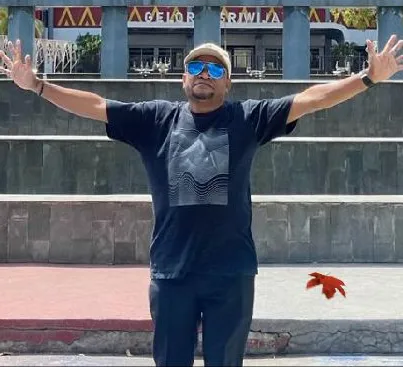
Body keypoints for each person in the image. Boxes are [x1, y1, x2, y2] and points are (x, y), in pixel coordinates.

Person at [1, 35, 402, 367]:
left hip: (231, 273)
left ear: (227, 83)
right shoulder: (155, 120)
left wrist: (367, 78)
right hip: (172, 273)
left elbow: (313, 99)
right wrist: (37, 85)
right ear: (183, 79)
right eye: (196, 67)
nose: (204, 74)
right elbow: (93, 106)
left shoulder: (249, 118)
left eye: (215, 69)